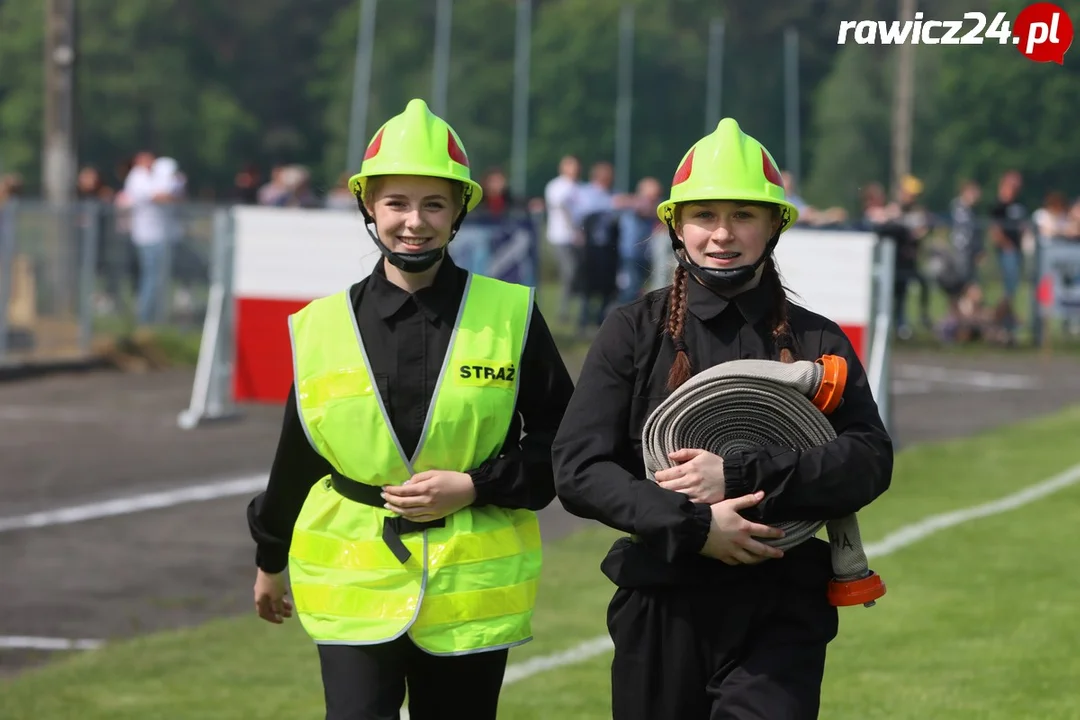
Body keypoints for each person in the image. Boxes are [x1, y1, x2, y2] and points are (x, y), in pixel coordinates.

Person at [551, 118, 894, 720]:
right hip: (663, 602)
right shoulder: (632, 332)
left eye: (743, 215)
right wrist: (693, 525)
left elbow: (869, 459)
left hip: (782, 611)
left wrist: (737, 477)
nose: (722, 234)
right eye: (704, 215)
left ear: (774, 225)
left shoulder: (819, 338)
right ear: (677, 226)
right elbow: (578, 468)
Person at [246, 98, 575, 720]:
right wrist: (270, 558)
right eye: (397, 203)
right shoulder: (321, 326)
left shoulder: (509, 314)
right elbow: (296, 454)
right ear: (369, 207)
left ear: (459, 212)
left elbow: (563, 439)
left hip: (470, 594)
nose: (414, 222)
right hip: (352, 585)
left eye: (434, 204)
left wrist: (476, 486)